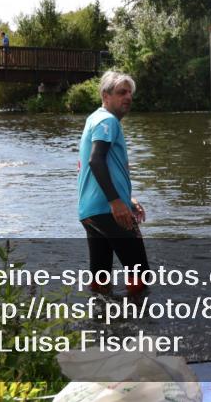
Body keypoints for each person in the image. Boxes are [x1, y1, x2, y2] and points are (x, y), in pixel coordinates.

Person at [77, 70, 149, 296]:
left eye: (129, 93)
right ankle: (140, 324)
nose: (127, 97)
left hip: (90, 212)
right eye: (121, 92)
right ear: (105, 96)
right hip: (108, 210)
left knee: (100, 279)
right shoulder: (107, 121)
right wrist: (116, 202)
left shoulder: (94, 118)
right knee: (140, 275)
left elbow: (102, 164)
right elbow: (96, 161)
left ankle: (101, 324)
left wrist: (127, 199)